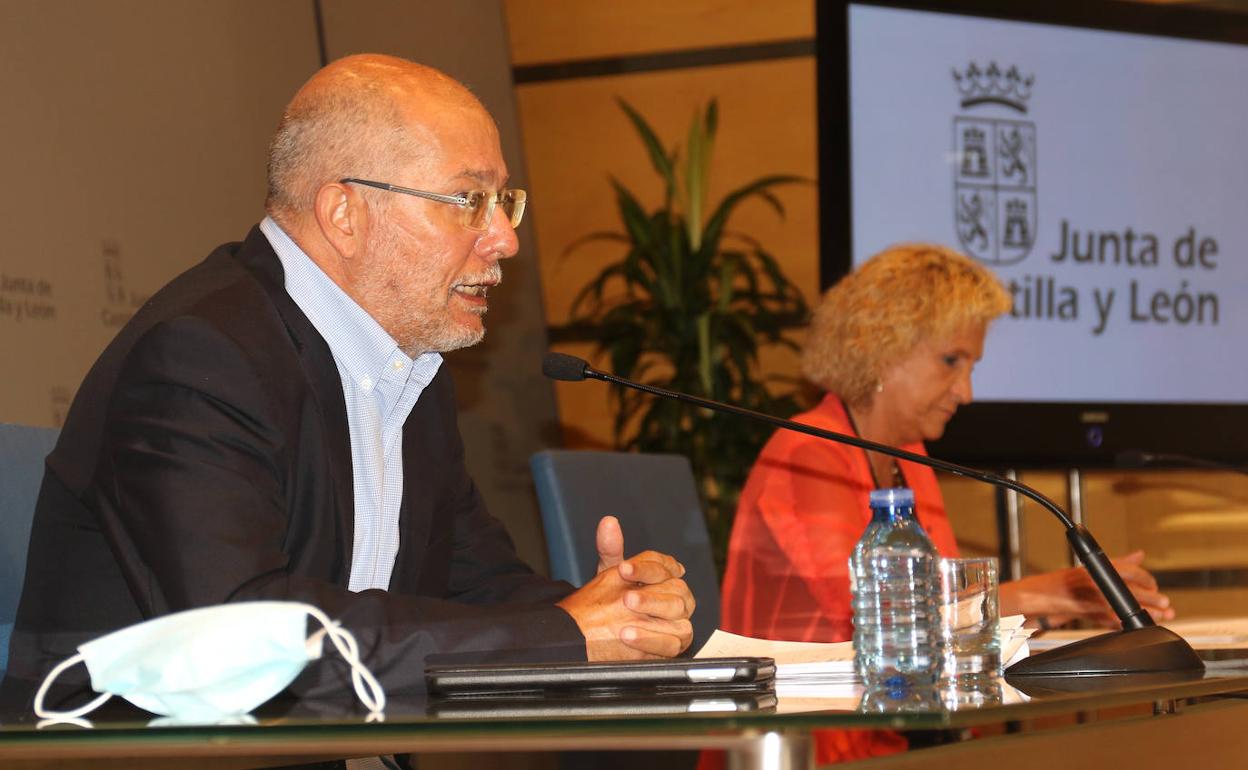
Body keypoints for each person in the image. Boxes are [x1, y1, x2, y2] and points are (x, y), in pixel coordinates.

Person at [3, 54, 693, 709]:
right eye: (466, 199)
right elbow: (246, 639)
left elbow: (476, 587)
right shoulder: (201, 357)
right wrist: (565, 634)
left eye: (502, 200)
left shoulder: (409, 370)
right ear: (344, 214)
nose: (504, 239)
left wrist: (616, 614)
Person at [717, 243, 1173, 763]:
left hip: (900, 738)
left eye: (972, 365)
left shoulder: (909, 456)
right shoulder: (806, 452)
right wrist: (1052, 593)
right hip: (802, 748)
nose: (967, 390)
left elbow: (947, 618)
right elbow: (875, 623)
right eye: (951, 361)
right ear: (881, 347)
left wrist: (1063, 607)